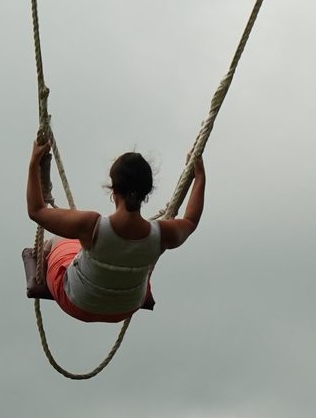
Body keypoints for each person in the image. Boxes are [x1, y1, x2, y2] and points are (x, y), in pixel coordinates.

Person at [25, 136, 206, 323]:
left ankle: (40, 265)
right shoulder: (163, 234)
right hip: (125, 309)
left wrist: (34, 162)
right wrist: (199, 176)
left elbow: (36, 211)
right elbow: (190, 221)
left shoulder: (90, 226)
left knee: (58, 241)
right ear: (147, 191)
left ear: (113, 189)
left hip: (77, 303)